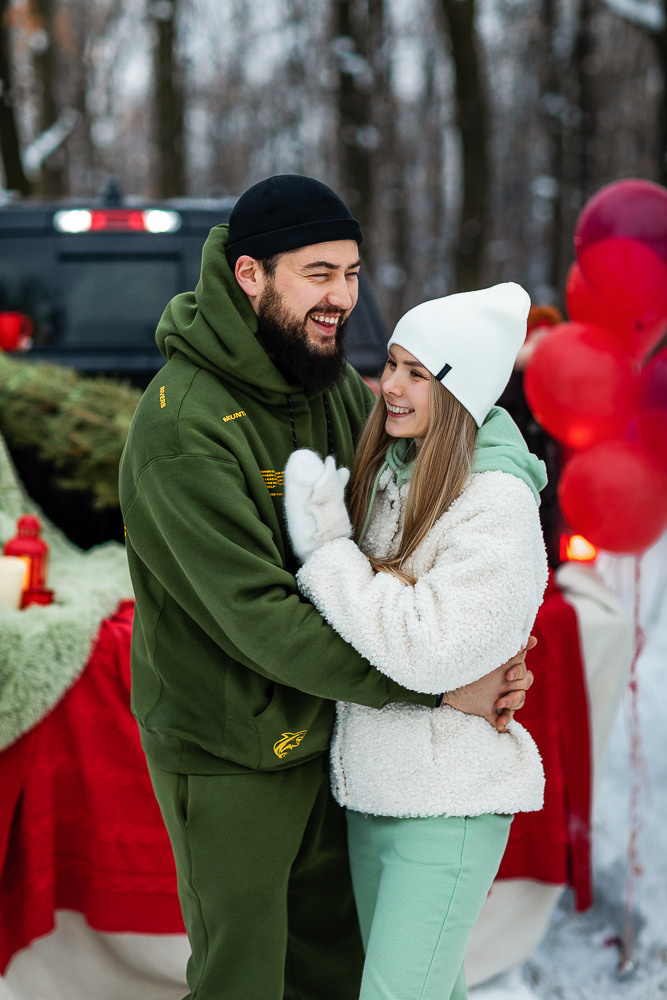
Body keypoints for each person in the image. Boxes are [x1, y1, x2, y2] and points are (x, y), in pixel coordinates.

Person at [118, 174, 546, 1000]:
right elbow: (258, 617)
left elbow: (448, 422)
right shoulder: (181, 428)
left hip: (338, 737)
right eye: (319, 273)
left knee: (333, 974)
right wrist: (437, 686)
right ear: (251, 275)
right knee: (242, 978)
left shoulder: (326, 383)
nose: (342, 298)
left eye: (351, 273)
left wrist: (505, 487)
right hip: (231, 749)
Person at [283, 282, 549, 1000]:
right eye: (392, 364)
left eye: (416, 373)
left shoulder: (494, 503)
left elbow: (428, 645)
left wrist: (329, 552)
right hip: (380, 789)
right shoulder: (399, 471)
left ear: (459, 392)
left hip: (446, 803)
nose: (389, 386)